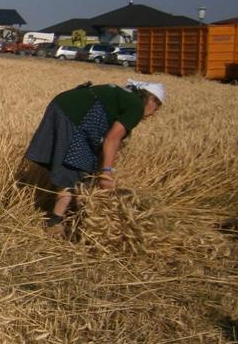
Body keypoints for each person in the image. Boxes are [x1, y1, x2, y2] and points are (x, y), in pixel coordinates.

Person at [25, 78, 165, 233]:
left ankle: (74, 216)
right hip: (73, 116)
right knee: (73, 168)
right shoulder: (136, 106)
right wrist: (106, 173)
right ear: (151, 99)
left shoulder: (127, 97)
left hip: (63, 106)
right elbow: (112, 139)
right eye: (156, 108)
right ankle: (55, 223)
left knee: (79, 168)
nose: (153, 114)